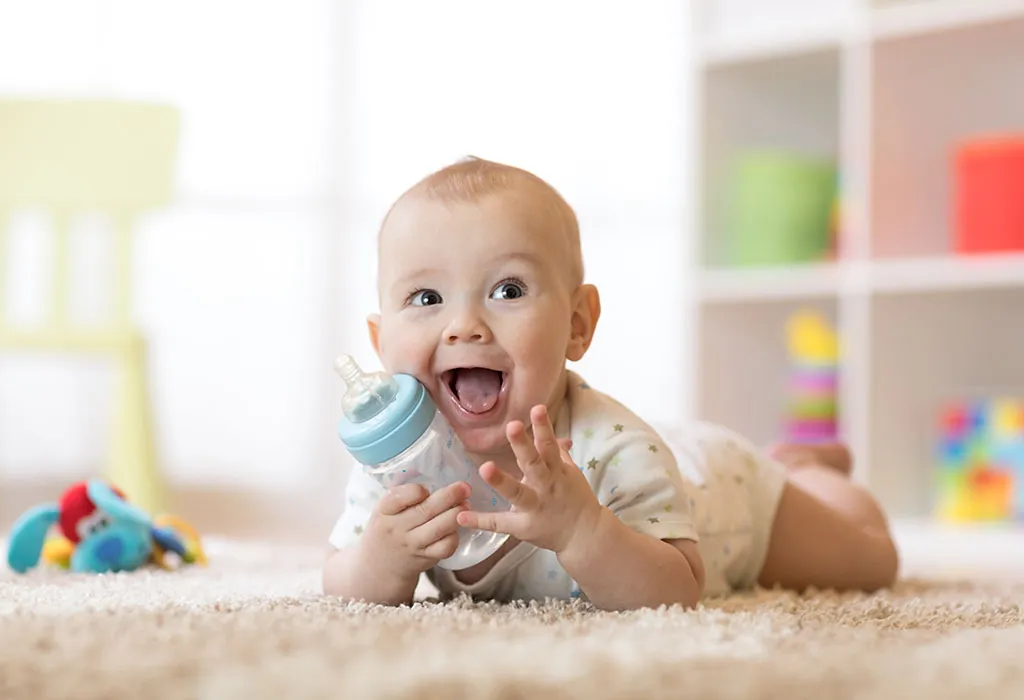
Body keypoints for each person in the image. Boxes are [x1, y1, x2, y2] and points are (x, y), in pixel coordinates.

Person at [321, 157, 898, 611]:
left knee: (871, 560)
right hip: (674, 460)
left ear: (577, 325)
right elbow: (341, 574)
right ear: (380, 343)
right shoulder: (401, 464)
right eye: (426, 299)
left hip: (722, 493)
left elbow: (677, 590)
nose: (464, 326)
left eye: (508, 290)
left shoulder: (614, 449)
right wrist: (379, 560)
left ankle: (804, 469)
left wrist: (584, 531)